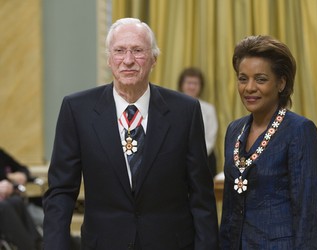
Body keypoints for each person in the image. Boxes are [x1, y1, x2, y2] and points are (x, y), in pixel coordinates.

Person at [43, 17, 219, 249]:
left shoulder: (185, 111)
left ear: (154, 59)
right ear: (108, 59)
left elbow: (201, 195)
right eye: (119, 51)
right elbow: (61, 191)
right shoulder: (77, 110)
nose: (128, 60)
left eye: (137, 51)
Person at [219, 35, 317, 249]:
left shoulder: (299, 131)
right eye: (242, 78)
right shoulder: (234, 130)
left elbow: (308, 216)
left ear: (281, 83)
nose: (249, 88)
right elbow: (230, 208)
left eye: (260, 79)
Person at [177, 67, 219, 177]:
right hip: (177, 160)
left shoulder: (209, 109)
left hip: (204, 160)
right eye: (189, 83)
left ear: (201, 86)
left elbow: (210, 138)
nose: (192, 87)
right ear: (181, 85)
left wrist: (195, 157)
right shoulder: (173, 107)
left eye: (195, 83)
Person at [0, 148, 42, 250]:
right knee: (4, 207)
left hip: (9, 197)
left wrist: (17, 176)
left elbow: (22, 169)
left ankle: (40, 244)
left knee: (16, 201)